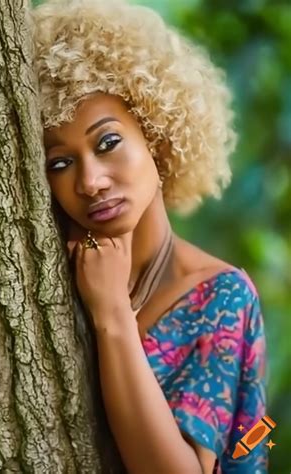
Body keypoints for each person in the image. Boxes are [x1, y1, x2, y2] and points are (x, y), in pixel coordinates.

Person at [31, 1, 268, 473]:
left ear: (157, 141)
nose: (91, 181)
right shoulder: (44, 271)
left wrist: (113, 314)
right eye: (61, 162)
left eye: (108, 143)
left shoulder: (221, 297)